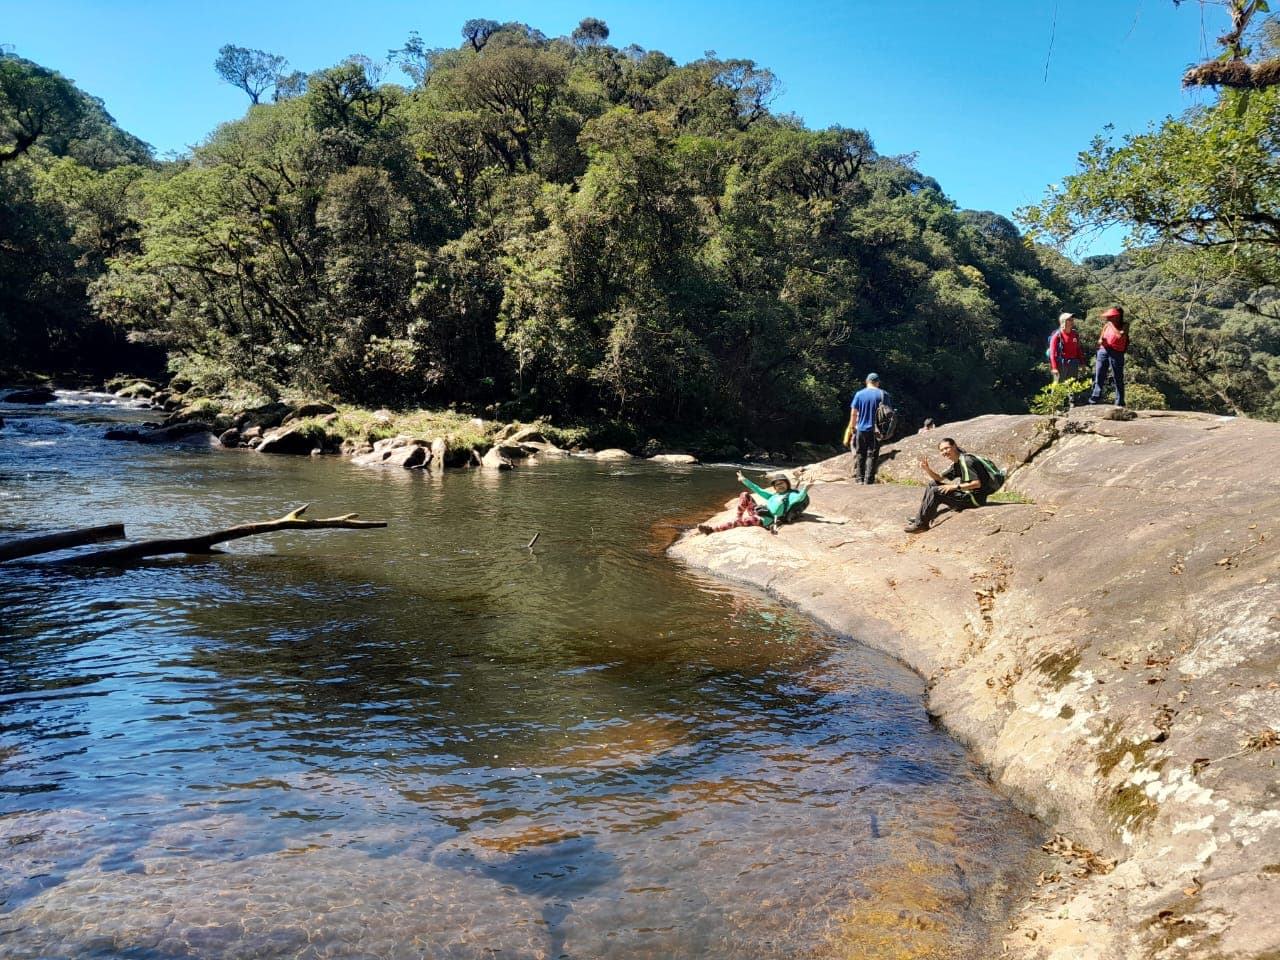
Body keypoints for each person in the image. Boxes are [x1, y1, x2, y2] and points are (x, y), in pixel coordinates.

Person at [903, 437, 993, 533]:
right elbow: (939, 478)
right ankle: (920, 517)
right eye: (942, 450)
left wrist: (954, 486)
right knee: (932, 484)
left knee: (936, 492)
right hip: (967, 495)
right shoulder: (957, 463)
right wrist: (927, 469)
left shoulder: (967, 461)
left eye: (946, 448)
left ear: (954, 446)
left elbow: (977, 484)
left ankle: (921, 524)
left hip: (974, 499)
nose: (944, 452)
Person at [697, 471, 811, 535]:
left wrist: (806, 488)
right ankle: (738, 518)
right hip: (760, 512)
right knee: (744, 494)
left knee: (741, 522)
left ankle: (711, 530)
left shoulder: (790, 496)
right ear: (774, 487)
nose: (780, 485)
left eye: (782, 483)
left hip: (767, 520)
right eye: (777, 484)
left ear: (787, 484)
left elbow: (800, 497)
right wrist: (744, 480)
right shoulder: (774, 495)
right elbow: (758, 490)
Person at [846, 372, 891, 485]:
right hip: (876, 430)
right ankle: (868, 480)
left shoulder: (859, 394)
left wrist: (852, 427)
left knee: (860, 453)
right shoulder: (883, 394)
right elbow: (889, 413)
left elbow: (853, 413)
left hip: (861, 429)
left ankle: (859, 479)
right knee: (872, 455)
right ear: (878, 382)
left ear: (867, 382)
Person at [1090, 306, 1129, 406]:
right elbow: (1100, 340)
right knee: (1099, 375)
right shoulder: (1106, 326)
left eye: (1111, 317)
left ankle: (1119, 401)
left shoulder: (1124, 325)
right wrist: (1102, 342)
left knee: (1117, 376)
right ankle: (1095, 398)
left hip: (1117, 353)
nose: (1108, 319)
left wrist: (1111, 325)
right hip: (1104, 351)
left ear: (1117, 317)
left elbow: (1120, 336)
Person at [1049, 312, 1086, 383]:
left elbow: (1078, 349)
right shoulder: (1057, 335)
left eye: (1072, 319)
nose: (1072, 321)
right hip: (1061, 365)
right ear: (1063, 322)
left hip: (1073, 364)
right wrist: (1054, 368)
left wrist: (1082, 363)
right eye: (1069, 320)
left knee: (1072, 388)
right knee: (1058, 388)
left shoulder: (1075, 334)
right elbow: (1052, 353)